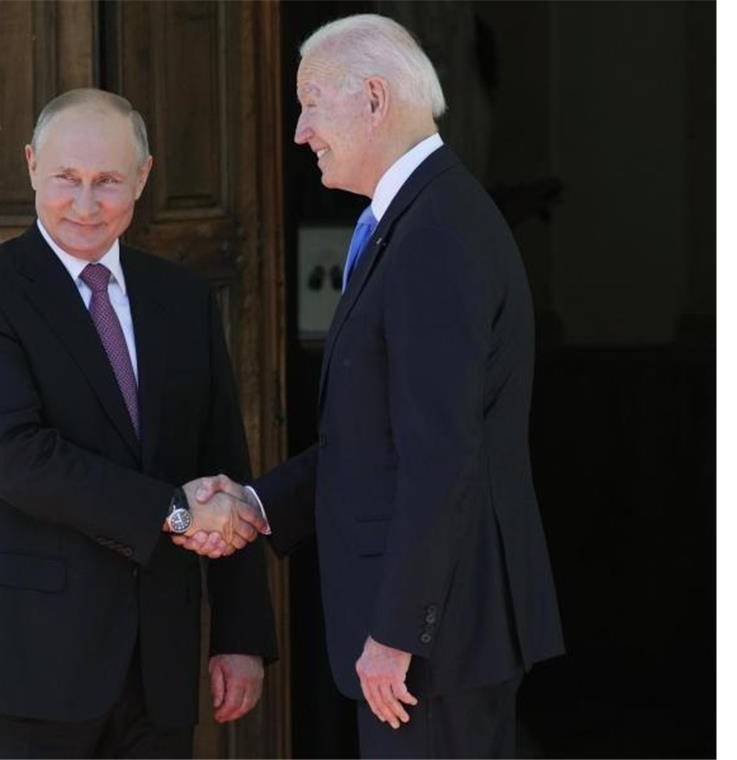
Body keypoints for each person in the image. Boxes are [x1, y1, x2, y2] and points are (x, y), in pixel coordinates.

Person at [179, 14, 564, 758]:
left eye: (312, 102)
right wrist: (257, 505)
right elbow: (377, 440)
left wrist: (395, 633)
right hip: (434, 644)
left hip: (435, 649)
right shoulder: (415, 219)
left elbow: (441, 454)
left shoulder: (436, 234)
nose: (299, 131)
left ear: (376, 100)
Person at [0, 88, 277, 759]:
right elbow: (20, 460)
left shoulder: (183, 299)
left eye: (108, 182)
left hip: (160, 666)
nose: (85, 205)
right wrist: (173, 511)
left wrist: (241, 634)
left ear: (142, 179)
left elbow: (225, 462)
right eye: (67, 179)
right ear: (32, 166)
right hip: (29, 670)